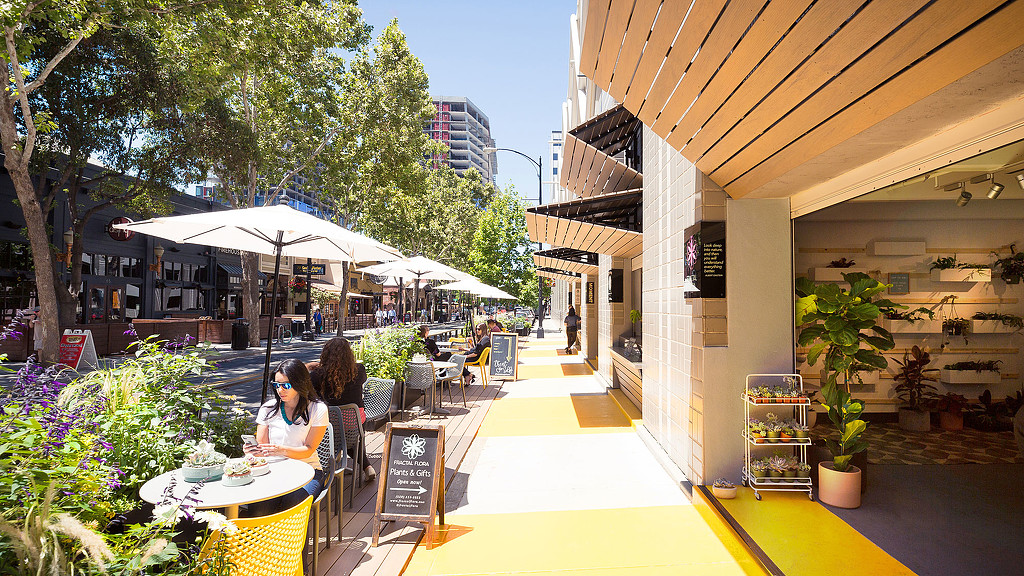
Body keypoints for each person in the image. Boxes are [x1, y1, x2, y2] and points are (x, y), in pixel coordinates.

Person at [246, 359, 328, 515]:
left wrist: (281, 450)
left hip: (308, 470)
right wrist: (252, 451)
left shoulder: (317, 409)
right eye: (277, 385)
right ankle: (265, 539)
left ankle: (294, 540)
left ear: (300, 383)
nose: (280, 390)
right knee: (259, 505)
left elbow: (308, 450)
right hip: (273, 470)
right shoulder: (268, 408)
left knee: (293, 504)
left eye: (286, 385)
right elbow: (263, 448)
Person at [308, 337, 376, 481]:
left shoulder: (317, 375)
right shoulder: (359, 371)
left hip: (328, 427)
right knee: (350, 440)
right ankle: (367, 466)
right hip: (355, 423)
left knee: (338, 435)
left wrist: (311, 367)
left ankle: (333, 467)